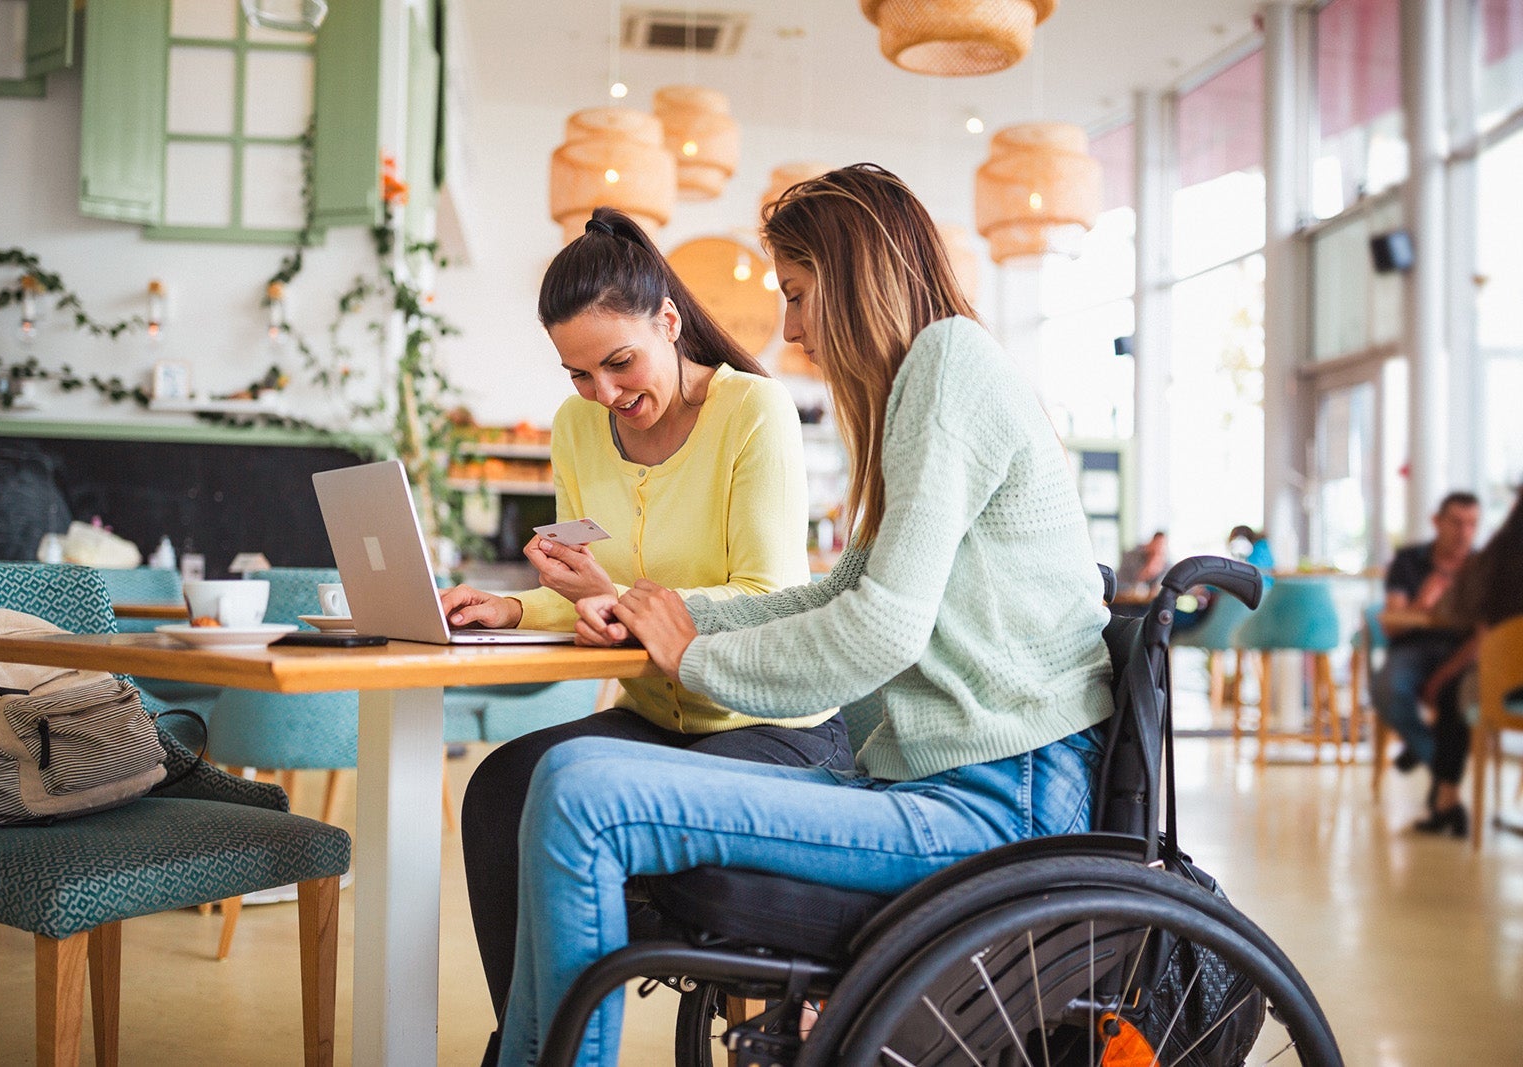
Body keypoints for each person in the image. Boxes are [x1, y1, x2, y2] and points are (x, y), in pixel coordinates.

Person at [497, 164, 1115, 1067]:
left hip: (997, 805)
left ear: (857, 273)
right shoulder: (927, 382)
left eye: (796, 292)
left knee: (584, 794)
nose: (785, 327)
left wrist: (691, 660)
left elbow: (879, 633)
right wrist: (659, 614)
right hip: (939, 784)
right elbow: (834, 597)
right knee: (572, 770)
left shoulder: (948, 366)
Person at [437, 206, 852, 1063]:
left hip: (772, 727)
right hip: (658, 718)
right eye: (579, 372)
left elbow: (766, 597)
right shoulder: (576, 426)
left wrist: (614, 595)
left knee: (562, 785)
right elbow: (594, 592)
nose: (604, 392)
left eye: (618, 362)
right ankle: (532, 1045)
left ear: (668, 321)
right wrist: (517, 604)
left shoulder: (753, 411)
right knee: (500, 786)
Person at [1411, 486, 1523, 835]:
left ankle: (1446, 802)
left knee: (1452, 694)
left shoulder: (1495, 559)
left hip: (1503, 690)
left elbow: (1458, 615)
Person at [1369, 492, 1481, 782]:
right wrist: (1422, 603)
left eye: (1471, 524)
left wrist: (1442, 676)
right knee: (1388, 689)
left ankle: (1435, 774)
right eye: (1456, 523)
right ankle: (1437, 759)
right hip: (1413, 649)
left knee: (1460, 696)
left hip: (1463, 653)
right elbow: (1392, 625)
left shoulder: (1480, 567)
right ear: (1437, 522)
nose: (1464, 533)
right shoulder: (1409, 560)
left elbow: (1485, 633)